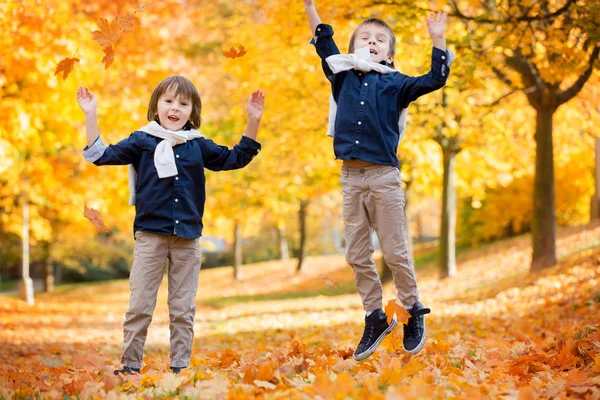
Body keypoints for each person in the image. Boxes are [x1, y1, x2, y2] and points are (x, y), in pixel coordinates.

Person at [77, 76, 264, 374]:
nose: (175, 107)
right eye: (168, 101)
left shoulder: (198, 145)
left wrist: (253, 120)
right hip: (150, 236)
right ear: (156, 106)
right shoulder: (142, 140)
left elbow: (236, 157)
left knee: (182, 309)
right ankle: (130, 366)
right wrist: (90, 114)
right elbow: (101, 155)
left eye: (183, 103)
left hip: (187, 238)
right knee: (139, 306)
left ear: (192, 111)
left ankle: (180, 366)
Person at [302, 0, 453, 361]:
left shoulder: (396, 84)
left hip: (383, 179)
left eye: (380, 40)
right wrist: (309, 5)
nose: (371, 42)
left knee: (396, 250)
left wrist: (438, 40)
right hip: (351, 180)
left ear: (389, 54)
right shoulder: (340, 73)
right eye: (365, 37)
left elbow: (435, 79)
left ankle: (412, 309)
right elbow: (323, 39)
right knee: (356, 254)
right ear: (354, 45)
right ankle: (375, 316)